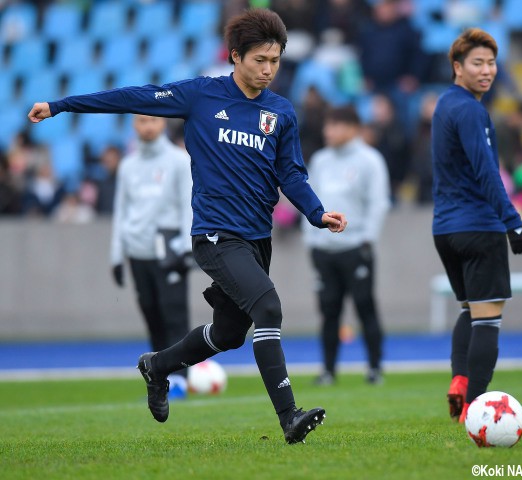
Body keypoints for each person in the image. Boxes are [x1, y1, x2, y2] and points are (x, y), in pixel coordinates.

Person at [28, 8, 347, 444]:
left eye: (275, 61)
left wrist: (316, 212)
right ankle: (289, 416)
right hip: (215, 235)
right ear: (235, 56)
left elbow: (290, 174)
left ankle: (156, 366)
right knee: (268, 308)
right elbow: (132, 97)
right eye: (260, 60)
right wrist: (61, 105)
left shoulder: (281, 113)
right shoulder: (201, 95)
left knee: (230, 335)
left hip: (257, 238)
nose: (269, 69)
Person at [430, 28, 522, 423]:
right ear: (458, 67)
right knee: (488, 320)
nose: (487, 70)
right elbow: (487, 171)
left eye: (491, 63)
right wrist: (513, 221)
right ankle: (475, 407)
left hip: (445, 230)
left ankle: (460, 382)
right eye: (478, 63)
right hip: (478, 226)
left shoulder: (444, 104)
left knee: (469, 311)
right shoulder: (472, 111)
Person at [303, 106, 390, 386]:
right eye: (327, 125)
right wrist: (312, 242)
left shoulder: (370, 160)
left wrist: (368, 240)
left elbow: (378, 203)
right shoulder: (320, 160)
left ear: (352, 128)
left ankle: (375, 368)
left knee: (365, 306)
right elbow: (309, 202)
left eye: (335, 125)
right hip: (324, 251)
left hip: (356, 249)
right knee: (329, 311)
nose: (328, 131)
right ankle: (328, 371)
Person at [111, 114, 193, 400]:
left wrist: (187, 249)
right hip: (138, 252)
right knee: (152, 316)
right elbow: (121, 211)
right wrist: (116, 256)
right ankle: (159, 375)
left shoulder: (179, 160)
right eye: (142, 121)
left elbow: (187, 205)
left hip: (169, 250)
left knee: (174, 315)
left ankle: (182, 376)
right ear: (134, 125)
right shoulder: (128, 165)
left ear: (163, 124)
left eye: (153, 121)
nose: (147, 126)